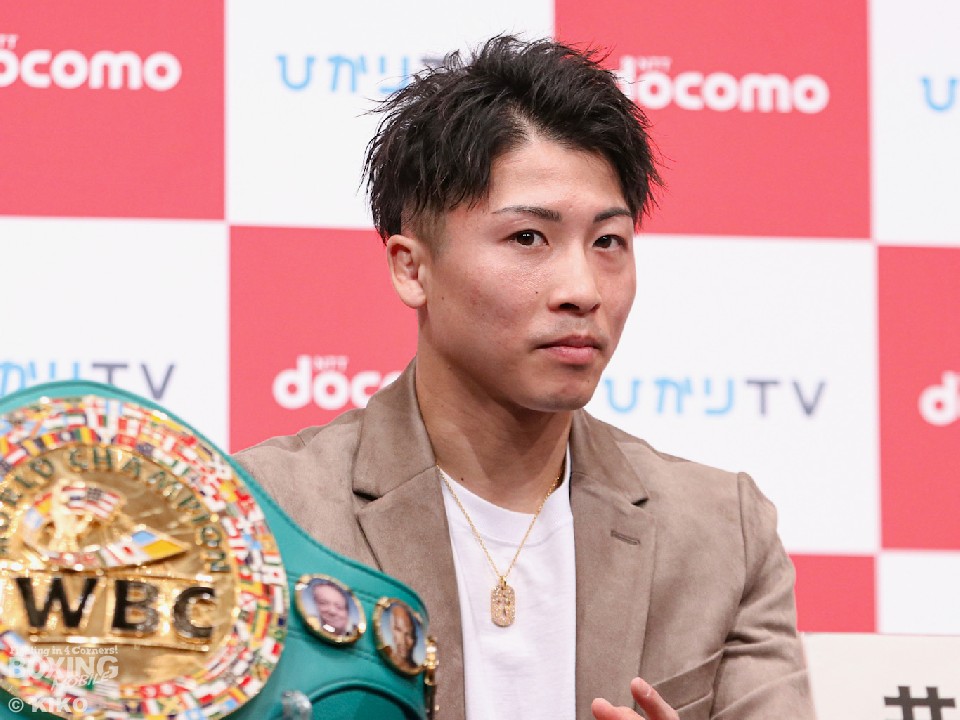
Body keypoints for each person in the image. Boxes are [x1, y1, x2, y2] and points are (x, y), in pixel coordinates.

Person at [236, 35, 816, 720]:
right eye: (528, 238)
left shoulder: (722, 534)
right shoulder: (264, 515)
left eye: (608, 242)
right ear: (412, 268)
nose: (582, 290)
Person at [385, 602, 420, 673]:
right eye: (398, 630)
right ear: (391, 630)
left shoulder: (415, 668)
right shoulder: (386, 656)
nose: (404, 641)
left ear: (415, 640)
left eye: (409, 634)